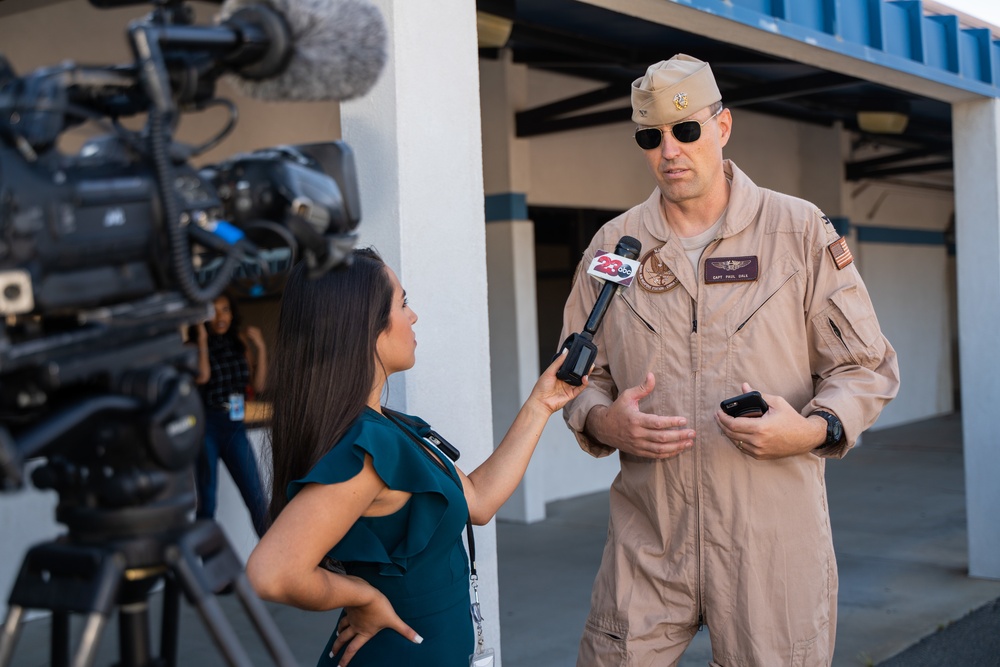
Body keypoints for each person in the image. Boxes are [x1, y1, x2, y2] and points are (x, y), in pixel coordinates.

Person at [559, 54, 900, 666]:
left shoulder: (796, 231)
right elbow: (579, 371)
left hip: (770, 548)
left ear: (722, 127)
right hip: (649, 543)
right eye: (651, 136)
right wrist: (601, 420)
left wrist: (810, 429)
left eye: (686, 130)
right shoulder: (615, 247)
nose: (670, 150)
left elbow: (864, 368)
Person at [246, 248, 585, 666]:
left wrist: (541, 404)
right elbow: (272, 573)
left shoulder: (390, 426)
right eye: (402, 303)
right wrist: (363, 595)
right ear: (361, 327)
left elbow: (478, 501)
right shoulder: (368, 447)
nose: (413, 316)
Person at [193, 292, 269, 537]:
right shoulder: (195, 346)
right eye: (213, 311)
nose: (220, 316)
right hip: (208, 424)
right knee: (207, 501)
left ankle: (274, 566)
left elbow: (257, 387)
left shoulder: (239, 343)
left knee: (256, 497)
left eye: (225, 309)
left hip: (234, 422)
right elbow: (202, 377)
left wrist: (261, 348)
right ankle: (203, 570)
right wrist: (202, 339)